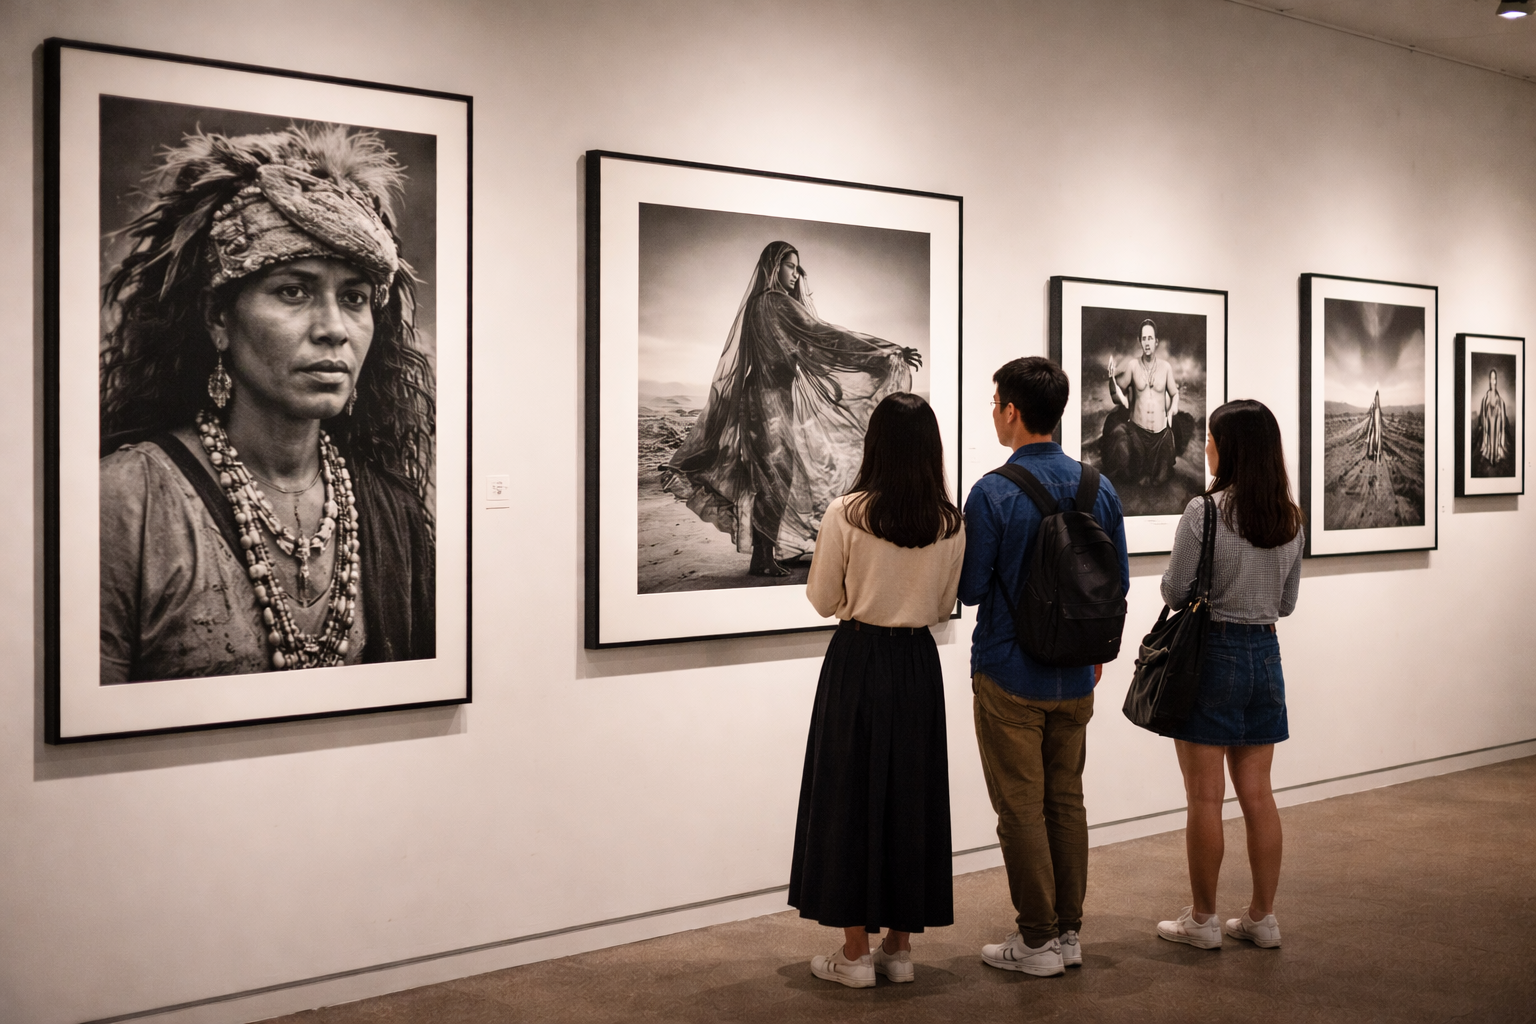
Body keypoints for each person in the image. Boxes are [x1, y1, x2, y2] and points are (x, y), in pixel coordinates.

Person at [98, 124, 436, 682]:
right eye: (293, 291)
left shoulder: (388, 509)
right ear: (217, 319)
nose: (334, 330)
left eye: (354, 298)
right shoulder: (126, 503)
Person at [959, 357, 1129, 977]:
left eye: (995, 401)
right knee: (1068, 802)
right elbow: (1120, 583)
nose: (994, 412)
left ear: (1010, 409)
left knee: (1021, 809)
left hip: (1010, 672)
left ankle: (1036, 942)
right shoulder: (1099, 487)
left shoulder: (993, 491)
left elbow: (972, 588)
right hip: (1078, 675)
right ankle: (1069, 934)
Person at [789, 392, 965, 988]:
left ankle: (855, 954)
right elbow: (944, 607)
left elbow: (821, 600)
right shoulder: (950, 521)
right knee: (910, 797)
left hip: (858, 661)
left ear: (876, 444)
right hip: (917, 667)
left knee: (850, 797)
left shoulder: (847, 512)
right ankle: (899, 948)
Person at [660, 241, 921, 577]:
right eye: (790, 266)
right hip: (768, 401)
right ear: (773, 266)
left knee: (775, 475)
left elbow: (813, 341)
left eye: (798, 267)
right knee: (776, 475)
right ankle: (763, 558)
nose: (796, 274)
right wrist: (884, 352)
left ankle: (767, 552)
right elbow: (823, 335)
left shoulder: (762, 304)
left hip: (768, 398)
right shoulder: (773, 302)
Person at [1153, 399, 1304, 952]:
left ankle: (1203, 920)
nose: (1207, 447)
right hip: (1265, 656)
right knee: (1258, 795)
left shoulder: (1205, 512)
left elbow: (1173, 592)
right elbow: (1286, 604)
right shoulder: (1288, 517)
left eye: (1212, 438)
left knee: (1204, 800)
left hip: (1210, 656)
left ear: (1230, 448)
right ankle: (1263, 918)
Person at [1103, 319, 1191, 486]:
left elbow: (1174, 393)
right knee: (1133, 477)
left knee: (1161, 480)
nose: (1147, 342)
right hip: (1138, 433)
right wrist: (1111, 379)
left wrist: (1173, 407)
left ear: (1156, 341)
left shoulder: (1165, 367)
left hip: (1161, 434)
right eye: (1144, 339)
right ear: (1140, 341)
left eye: (1150, 338)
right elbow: (1116, 396)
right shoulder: (1132, 366)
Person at [1477, 369, 1509, 468]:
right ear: (1489, 380)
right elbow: (1484, 411)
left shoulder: (1500, 399)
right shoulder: (1486, 397)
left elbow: (1501, 410)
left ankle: (1496, 456)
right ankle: (1490, 456)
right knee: (1490, 434)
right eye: (1491, 378)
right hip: (1489, 422)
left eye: (1494, 378)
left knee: (1496, 433)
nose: (1492, 381)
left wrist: (1498, 414)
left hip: (1496, 421)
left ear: (1496, 381)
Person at [1363, 388, 1385, 462]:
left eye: (1377, 397)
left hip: (1378, 427)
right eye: (1376, 397)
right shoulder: (1374, 407)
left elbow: (1380, 419)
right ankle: (1375, 455)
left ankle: (1378, 457)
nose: (1377, 399)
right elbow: (1370, 414)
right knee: (1373, 438)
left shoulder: (1379, 409)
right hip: (1374, 426)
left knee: (1378, 440)